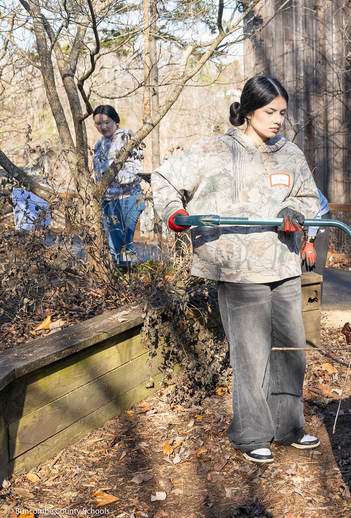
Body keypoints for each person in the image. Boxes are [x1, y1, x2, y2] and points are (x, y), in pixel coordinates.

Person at [151, 76, 321, 465]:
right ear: (247, 110)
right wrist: (174, 214)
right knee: (251, 354)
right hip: (238, 268)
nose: (278, 120)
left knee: (292, 349)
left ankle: (290, 426)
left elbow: (310, 198)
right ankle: (252, 433)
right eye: (269, 112)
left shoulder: (290, 154)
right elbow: (162, 178)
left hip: (284, 263)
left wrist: (298, 212)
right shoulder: (215, 149)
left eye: (282, 112)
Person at [92, 105, 146, 264]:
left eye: (106, 122)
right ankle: (117, 279)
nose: (102, 127)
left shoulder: (127, 137)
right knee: (112, 246)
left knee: (123, 246)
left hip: (127, 197)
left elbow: (136, 170)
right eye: (98, 124)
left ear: (116, 120)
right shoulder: (99, 144)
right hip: (108, 200)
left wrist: (111, 176)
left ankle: (130, 279)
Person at [301, 188, 331, 281]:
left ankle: (313, 293)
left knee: (310, 265)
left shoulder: (305, 185)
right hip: (299, 217)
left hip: (318, 215)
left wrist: (310, 243)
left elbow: (315, 212)